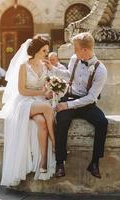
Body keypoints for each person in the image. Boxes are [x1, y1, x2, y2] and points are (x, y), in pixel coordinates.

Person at [44, 32, 108, 179]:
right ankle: (60, 162)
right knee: (61, 120)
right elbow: (68, 76)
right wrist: (52, 69)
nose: (74, 51)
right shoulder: (75, 59)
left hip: (87, 103)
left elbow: (91, 97)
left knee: (102, 122)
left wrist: (68, 105)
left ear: (84, 50)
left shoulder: (101, 70)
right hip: (70, 96)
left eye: (76, 48)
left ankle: (94, 162)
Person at [1, 36, 56, 187]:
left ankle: (43, 160)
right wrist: (40, 93)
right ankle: (55, 142)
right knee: (47, 108)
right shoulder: (24, 66)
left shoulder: (45, 66)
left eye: (47, 50)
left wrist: (50, 91)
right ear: (36, 50)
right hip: (24, 102)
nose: (46, 52)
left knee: (41, 122)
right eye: (44, 50)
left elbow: (46, 87)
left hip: (38, 102)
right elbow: (22, 90)